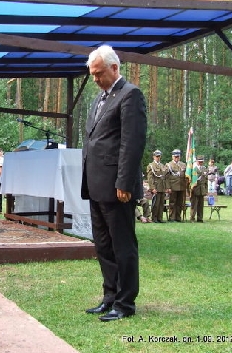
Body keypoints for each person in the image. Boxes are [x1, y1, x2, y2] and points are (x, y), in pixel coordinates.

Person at [81, 45, 147, 322]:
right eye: (92, 74)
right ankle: (110, 296)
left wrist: (124, 182)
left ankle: (125, 303)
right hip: (96, 184)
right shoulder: (99, 99)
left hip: (117, 187)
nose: (95, 79)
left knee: (122, 246)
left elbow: (132, 144)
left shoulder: (130, 95)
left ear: (114, 68)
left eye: (99, 73)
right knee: (103, 246)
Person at [165, 149, 187, 222]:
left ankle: (178, 217)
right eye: (175, 157)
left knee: (180, 203)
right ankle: (172, 217)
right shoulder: (169, 165)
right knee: (172, 203)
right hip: (173, 186)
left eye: (178, 157)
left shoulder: (183, 164)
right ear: (172, 157)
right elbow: (167, 177)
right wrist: (168, 187)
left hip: (181, 186)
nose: (176, 158)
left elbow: (186, 176)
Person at [146, 149, 167, 223]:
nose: (158, 158)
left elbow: (164, 177)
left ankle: (160, 218)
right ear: (153, 157)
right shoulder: (151, 166)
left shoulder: (162, 165)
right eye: (157, 156)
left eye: (159, 156)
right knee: (156, 204)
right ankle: (154, 218)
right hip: (156, 187)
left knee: (161, 204)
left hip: (162, 187)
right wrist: (152, 188)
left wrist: (166, 187)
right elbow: (150, 178)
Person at [189, 155, 208, 223]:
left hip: (202, 189)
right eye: (199, 161)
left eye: (202, 162)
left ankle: (200, 218)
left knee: (200, 205)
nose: (200, 163)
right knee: (194, 205)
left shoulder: (204, 168)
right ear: (196, 161)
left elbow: (206, 180)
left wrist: (206, 190)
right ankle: (192, 218)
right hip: (195, 189)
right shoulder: (193, 169)